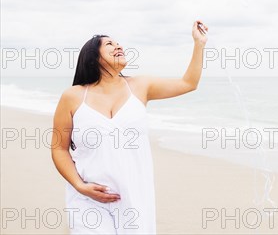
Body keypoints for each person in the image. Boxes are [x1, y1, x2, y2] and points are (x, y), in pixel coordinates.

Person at [51, 20, 208, 234]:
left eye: (118, 43)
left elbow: (188, 83)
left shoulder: (140, 86)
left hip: (135, 199)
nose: (118, 46)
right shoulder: (73, 96)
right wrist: (80, 186)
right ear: (93, 57)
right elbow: (59, 148)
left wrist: (199, 44)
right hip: (87, 198)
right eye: (109, 44)